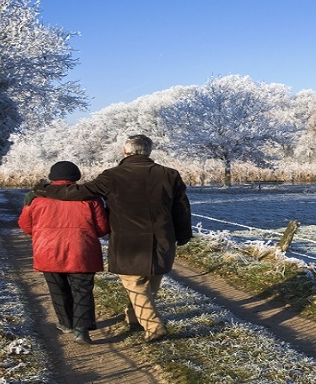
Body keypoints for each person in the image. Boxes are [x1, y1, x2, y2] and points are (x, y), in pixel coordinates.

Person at [32, 134, 192, 342]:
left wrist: (45, 189)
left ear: (124, 152)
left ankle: (153, 326)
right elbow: (182, 208)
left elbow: (78, 193)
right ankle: (134, 318)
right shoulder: (170, 175)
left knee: (135, 282)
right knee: (151, 279)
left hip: (128, 241)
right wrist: (183, 235)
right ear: (149, 151)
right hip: (162, 238)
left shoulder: (112, 176)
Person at [18, 161, 110, 345]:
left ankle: (65, 323)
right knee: (82, 290)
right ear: (76, 177)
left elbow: (25, 225)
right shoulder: (91, 199)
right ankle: (81, 330)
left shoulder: (37, 199)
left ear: (52, 178)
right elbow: (102, 228)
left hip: (48, 251)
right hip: (82, 250)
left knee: (57, 289)